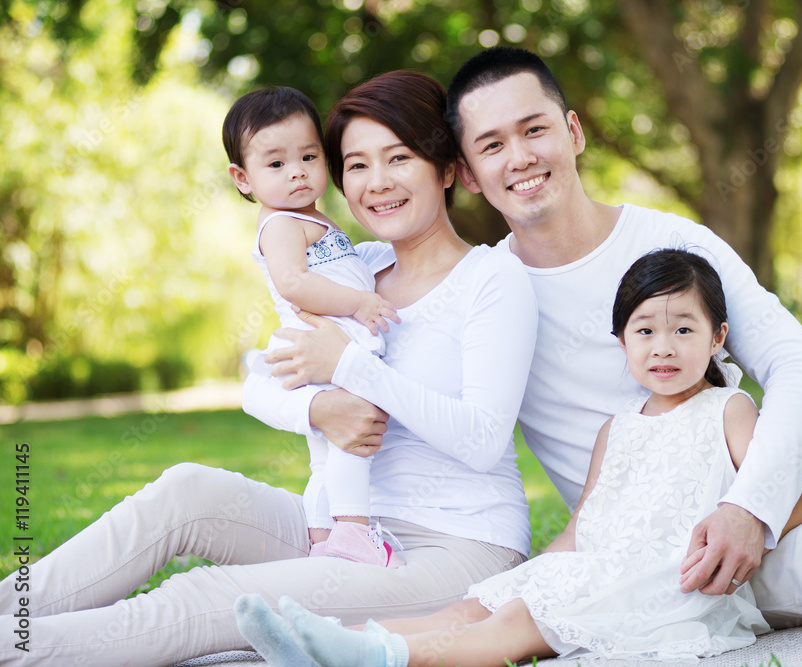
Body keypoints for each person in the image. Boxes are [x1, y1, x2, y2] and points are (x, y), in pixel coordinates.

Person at [272, 46, 802, 642]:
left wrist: (753, 503)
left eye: (535, 129)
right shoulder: (485, 292)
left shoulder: (671, 239)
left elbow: (799, 367)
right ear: (464, 170)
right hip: (669, 554)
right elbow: (349, 363)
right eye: (492, 144)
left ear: (575, 131)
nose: (520, 157)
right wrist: (319, 407)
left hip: (768, 484)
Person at [0, 70, 537, 666]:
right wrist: (317, 406)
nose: (377, 183)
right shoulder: (353, 267)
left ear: (445, 169)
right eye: (356, 165)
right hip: (340, 529)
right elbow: (259, 383)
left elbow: (484, 440)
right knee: (187, 490)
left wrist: (352, 367)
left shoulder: (492, 278)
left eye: (399, 158)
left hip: (455, 549)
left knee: (208, 599)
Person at [232, 247, 802, 666]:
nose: (664, 346)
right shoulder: (618, 429)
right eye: (645, 330)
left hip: (665, 582)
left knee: (519, 619)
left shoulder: (729, 409)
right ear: (622, 342)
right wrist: (534, 573)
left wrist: (739, 530)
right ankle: (324, 640)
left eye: (684, 328)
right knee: (475, 604)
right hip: (598, 567)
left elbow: (779, 503)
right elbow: (583, 529)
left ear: (718, 336)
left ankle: (384, 657)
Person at [223, 85, 402, 567]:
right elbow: (294, 282)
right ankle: (352, 529)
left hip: (333, 345)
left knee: (324, 455)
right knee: (348, 437)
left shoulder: (311, 217)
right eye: (276, 164)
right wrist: (360, 302)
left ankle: (321, 537)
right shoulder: (280, 224)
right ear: (243, 178)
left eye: (308, 155)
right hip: (330, 347)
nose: (298, 171)